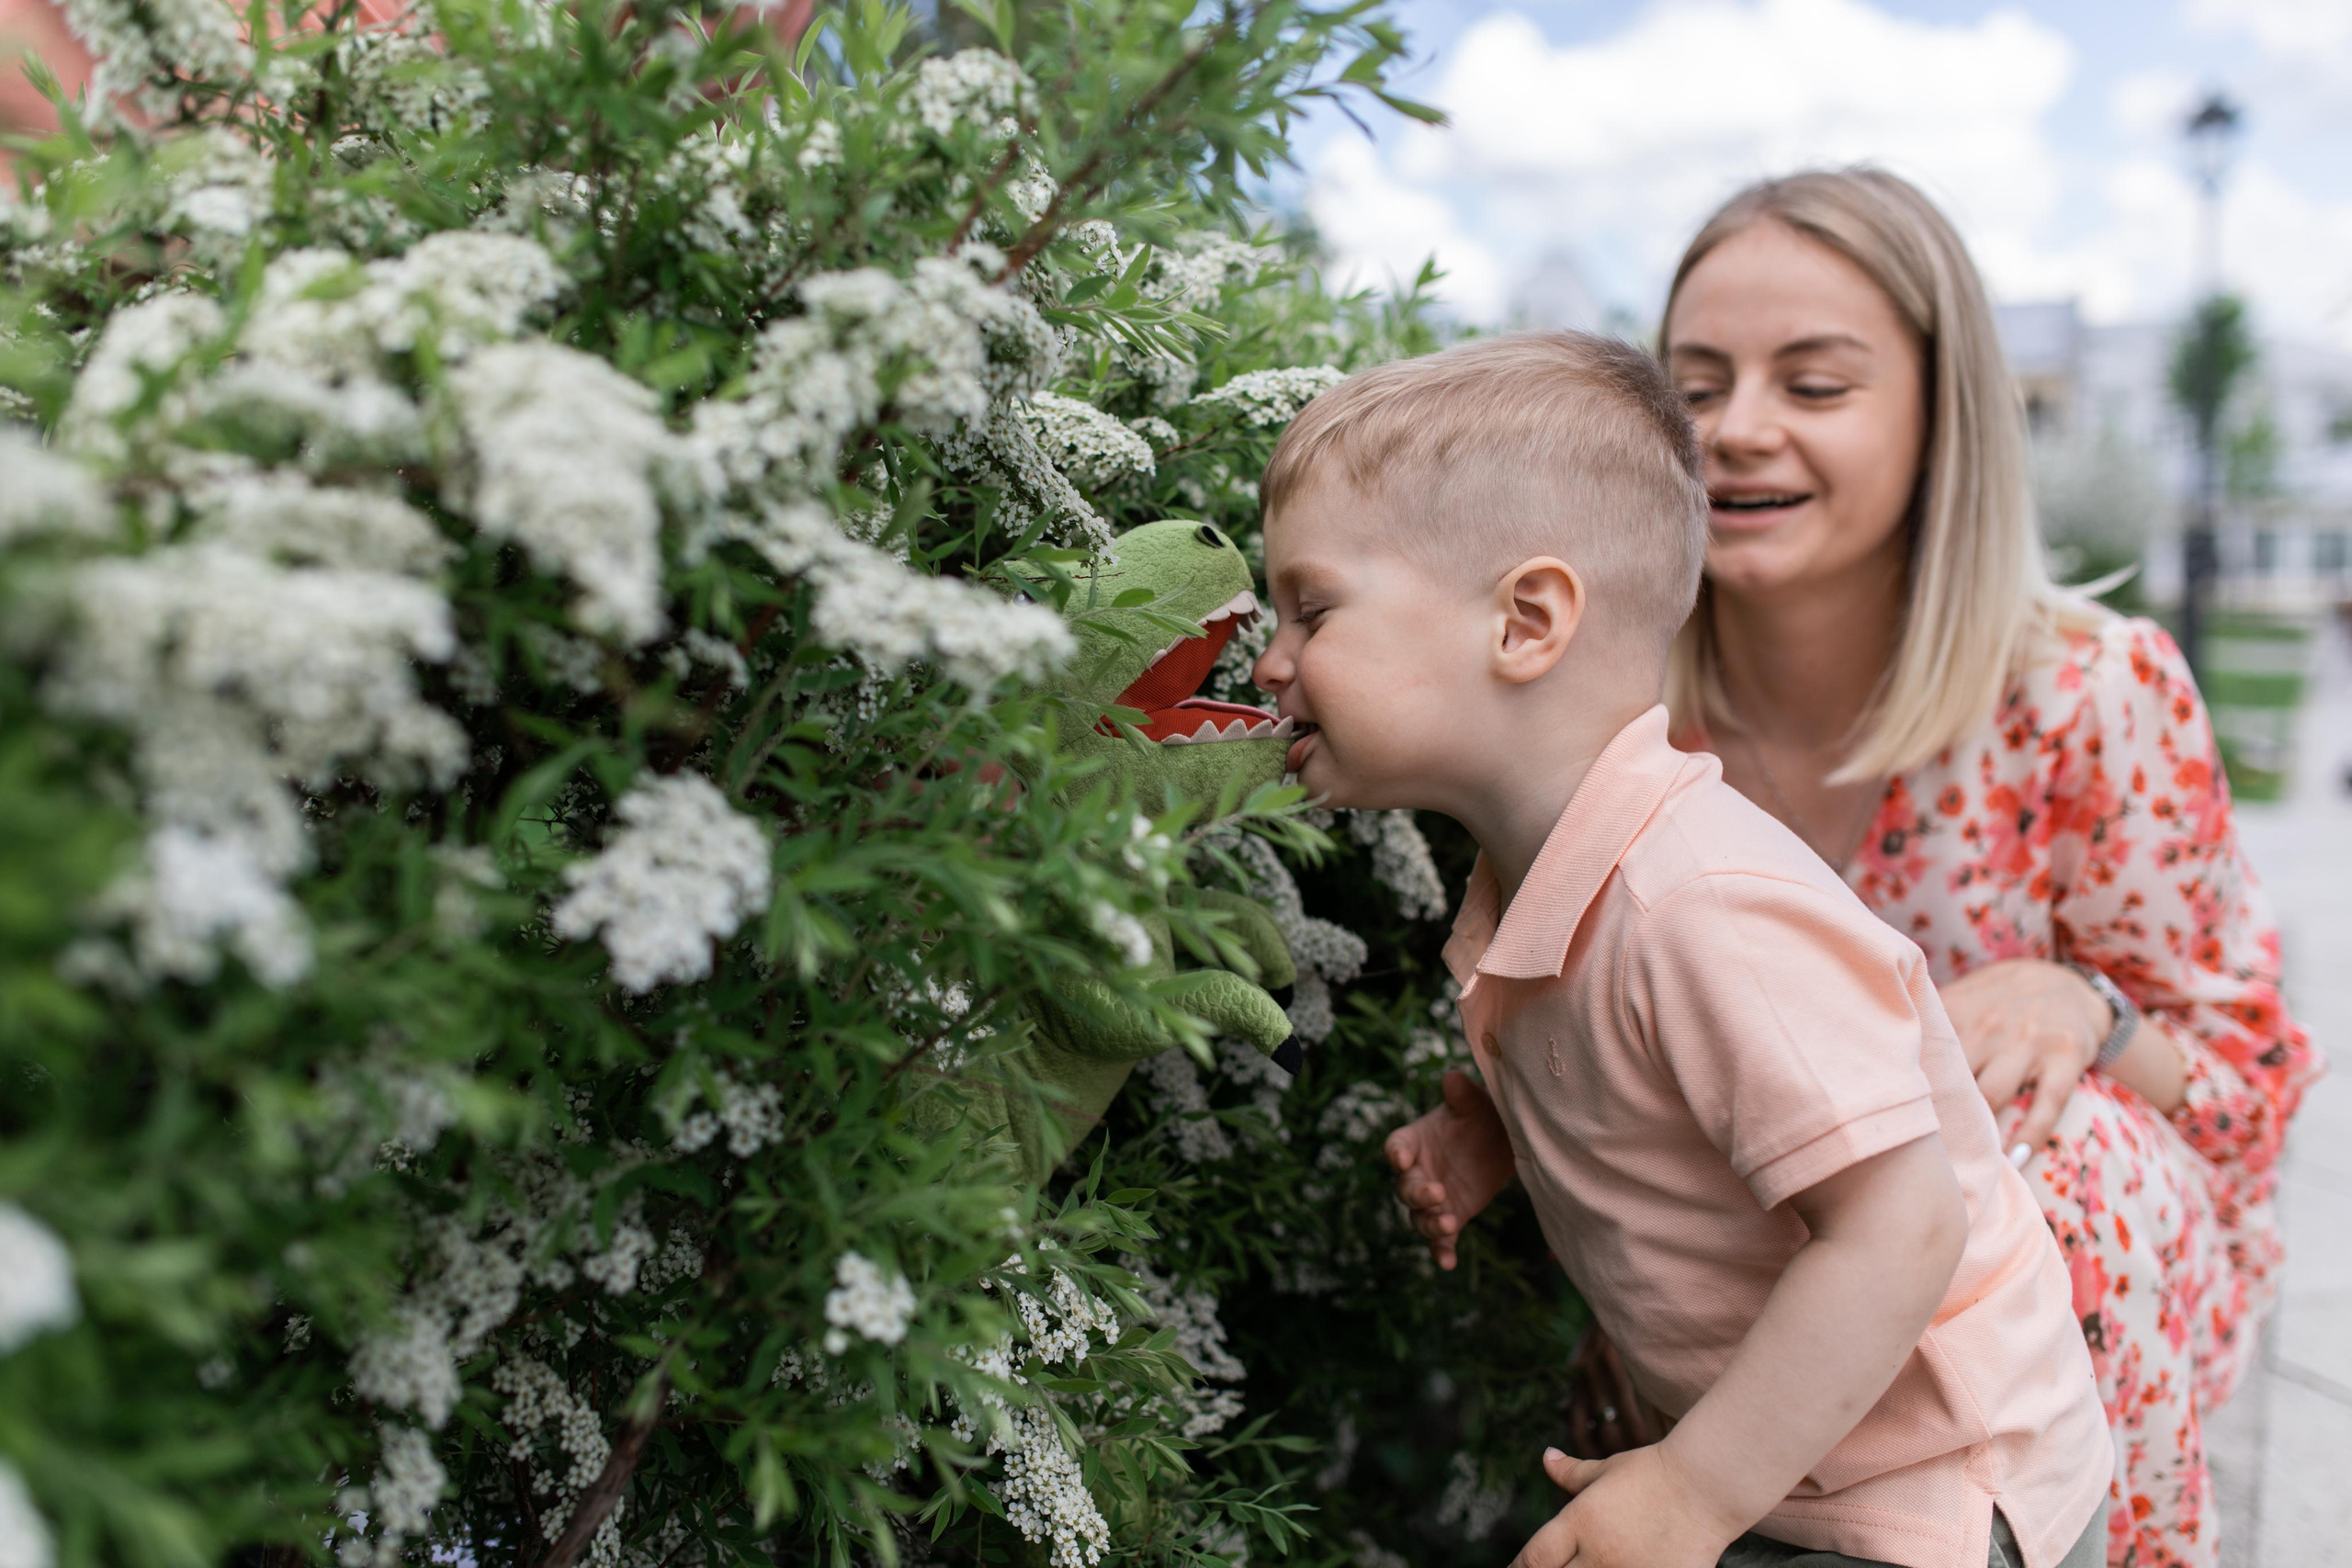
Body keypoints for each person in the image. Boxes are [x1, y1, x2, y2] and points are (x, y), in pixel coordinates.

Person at [1256, 333, 2112, 1568]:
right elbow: (1663, 1084)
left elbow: (1901, 1226)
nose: (1271, 660)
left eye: (1313, 607)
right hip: (1797, 1463)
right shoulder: (1544, 874)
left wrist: (1692, 1496)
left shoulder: (1701, 905)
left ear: (1527, 621)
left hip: (1928, 1494)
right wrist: (1503, 1131)